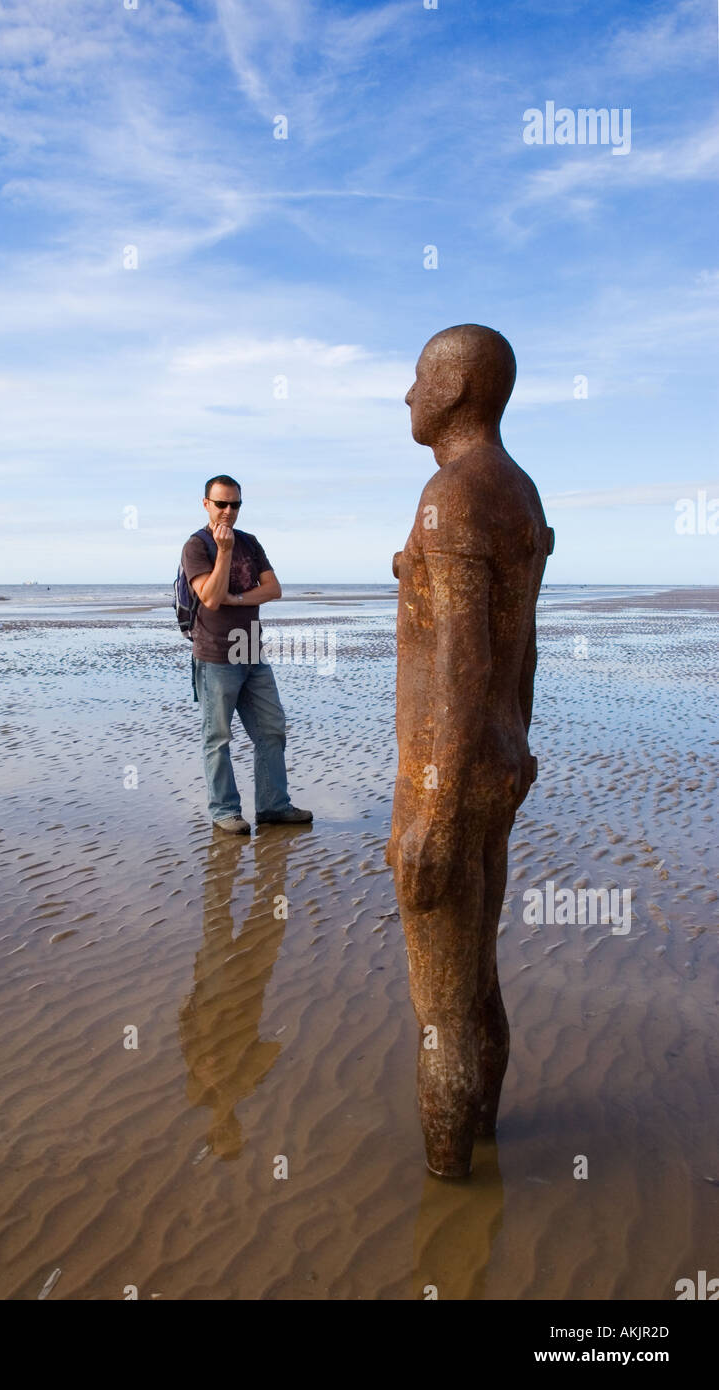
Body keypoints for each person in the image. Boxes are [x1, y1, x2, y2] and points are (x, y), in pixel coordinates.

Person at [386, 325, 554, 1178]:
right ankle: (481, 1138)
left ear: (453, 391)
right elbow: (524, 644)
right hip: (497, 763)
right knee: (479, 977)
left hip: (443, 776)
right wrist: (518, 744)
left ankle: (450, 1196)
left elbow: (464, 659)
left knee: (441, 1005)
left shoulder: (450, 497)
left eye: (418, 378)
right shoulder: (518, 492)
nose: (407, 394)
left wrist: (436, 815)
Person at [181, 475, 313, 834]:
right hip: (215, 657)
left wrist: (237, 598)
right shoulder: (197, 546)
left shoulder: (251, 543)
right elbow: (209, 597)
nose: (228, 512)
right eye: (221, 504)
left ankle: (273, 806)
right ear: (205, 503)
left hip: (252, 652)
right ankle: (225, 811)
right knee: (218, 738)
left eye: (235, 504)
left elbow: (274, 588)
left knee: (272, 729)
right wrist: (223, 553)